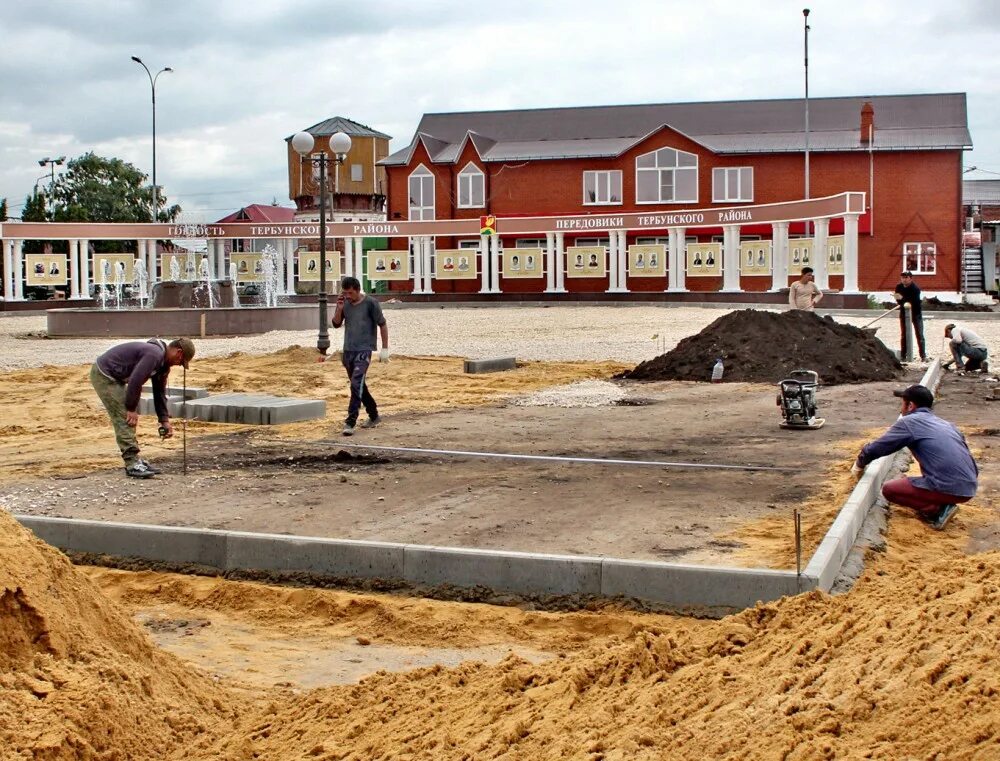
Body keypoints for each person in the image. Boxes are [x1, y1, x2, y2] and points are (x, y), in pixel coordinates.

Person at [853, 384, 977, 530]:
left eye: (902, 404)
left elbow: (880, 447)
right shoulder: (947, 424)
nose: (901, 409)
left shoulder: (909, 422)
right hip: (969, 486)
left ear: (910, 405)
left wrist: (859, 464)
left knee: (890, 490)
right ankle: (941, 501)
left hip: (950, 488)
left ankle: (938, 510)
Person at [91, 337, 196, 479]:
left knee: (129, 413)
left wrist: (164, 420)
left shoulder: (163, 365)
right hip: (104, 374)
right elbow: (136, 380)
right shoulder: (154, 354)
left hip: (116, 377)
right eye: (181, 362)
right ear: (178, 352)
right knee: (125, 417)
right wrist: (131, 408)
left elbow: (159, 393)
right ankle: (132, 464)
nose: (178, 365)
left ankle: (135, 460)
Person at [332, 276, 389, 436]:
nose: (348, 296)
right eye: (345, 293)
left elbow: (382, 325)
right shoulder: (345, 304)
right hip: (348, 350)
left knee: (356, 384)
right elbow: (336, 324)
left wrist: (384, 349)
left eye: (350, 293)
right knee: (359, 386)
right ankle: (374, 415)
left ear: (357, 290)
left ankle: (350, 421)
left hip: (364, 350)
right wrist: (339, 308)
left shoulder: (371, 303)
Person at [893, 271, 927, 361]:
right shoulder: (899, 287)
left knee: (919, 334)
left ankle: (923, 355)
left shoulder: (915, 289)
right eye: (902, 278)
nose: (904, 280)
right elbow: (897, 299)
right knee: (904, 334)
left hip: (916, 313)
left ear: (910, 278)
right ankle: (903, 355)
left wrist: (903, 300)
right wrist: (902, 300)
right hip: (904, 313)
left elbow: (913, 302)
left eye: (906, 278)